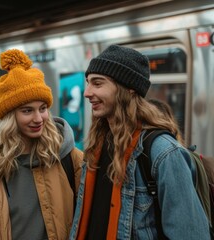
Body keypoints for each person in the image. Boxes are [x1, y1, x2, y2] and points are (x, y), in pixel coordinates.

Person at [69, 45, 210, 239]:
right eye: (88, 83)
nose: (87, 92)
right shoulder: (98, 144)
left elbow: (189, 233)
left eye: (98, 83)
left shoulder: (163, 152)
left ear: (129, 89)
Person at [0, 49, 83, 240]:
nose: (38, 118)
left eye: (43, 109)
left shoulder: (69, 158)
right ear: (10, 116)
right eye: (27, 111)